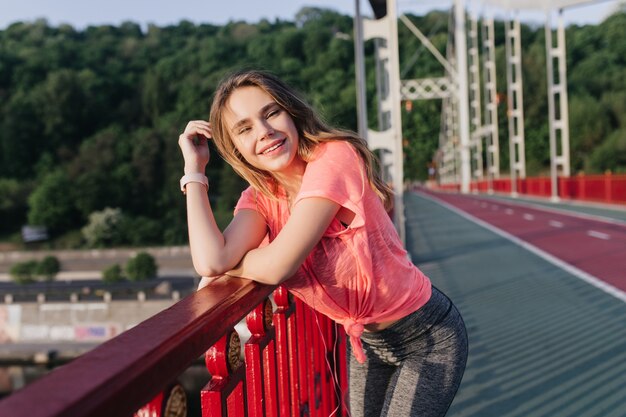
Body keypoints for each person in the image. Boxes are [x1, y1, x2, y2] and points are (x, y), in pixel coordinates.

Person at [178, 70, 468, 417]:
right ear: (234, 148)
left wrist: (240, 261)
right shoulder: (260, 198)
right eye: (244, 128)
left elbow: (278, 265)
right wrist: (195, 171)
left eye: (271, 113)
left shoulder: (333, 157)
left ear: (292, 113)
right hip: (367, 344)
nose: (264, 132)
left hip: (427, 336)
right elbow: (211, 261)